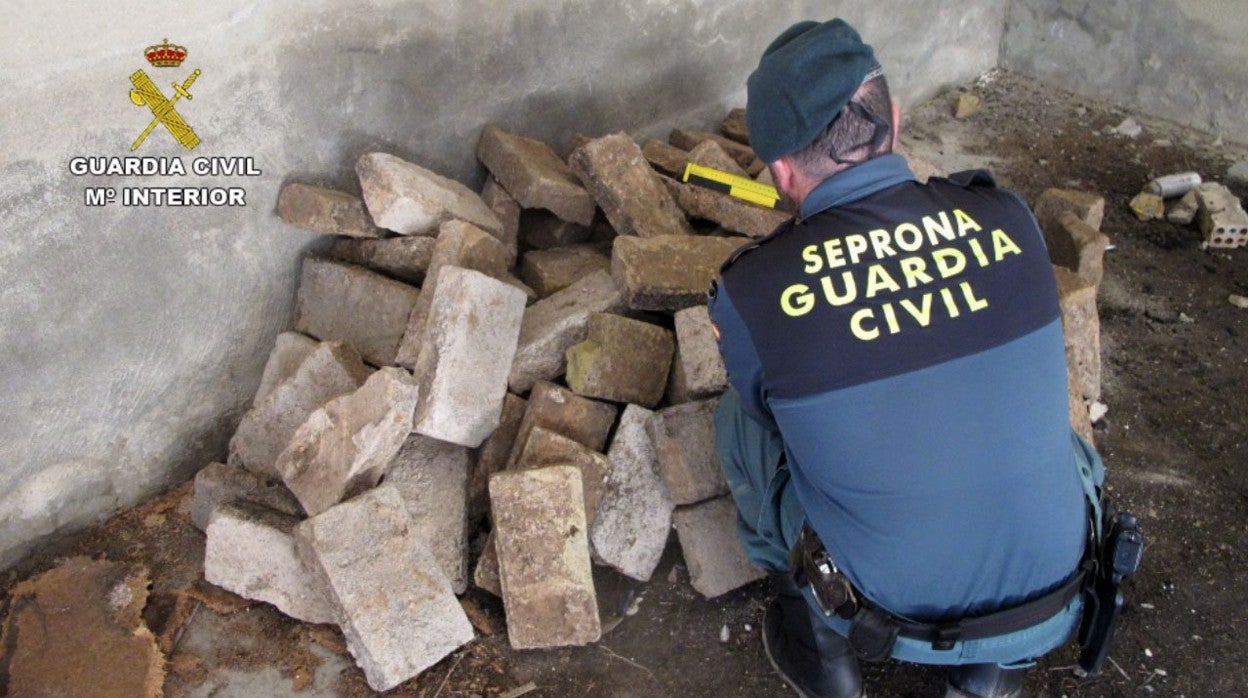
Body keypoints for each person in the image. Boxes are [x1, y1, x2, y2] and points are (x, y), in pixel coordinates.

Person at [709, 18, 1104, 698]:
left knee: (739, 424)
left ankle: (823, 652)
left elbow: (769, 418)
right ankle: (990, 675)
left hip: (886, 606)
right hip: (1055, 588)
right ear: (895, 118)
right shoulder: (1007, 215)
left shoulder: (751, 292)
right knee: (1049, 436)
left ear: (777, 170)